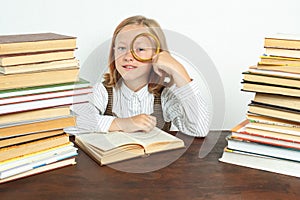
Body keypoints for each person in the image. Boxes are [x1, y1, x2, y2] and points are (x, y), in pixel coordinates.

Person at [73, 15, 209, 137]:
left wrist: (179, 72)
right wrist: (122, 123)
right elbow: (70, 123)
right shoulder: (102, 92)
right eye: (121, 48)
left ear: (157, 54)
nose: (128, 57)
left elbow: (199, 129)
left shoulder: (166, 95)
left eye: (140, 49)